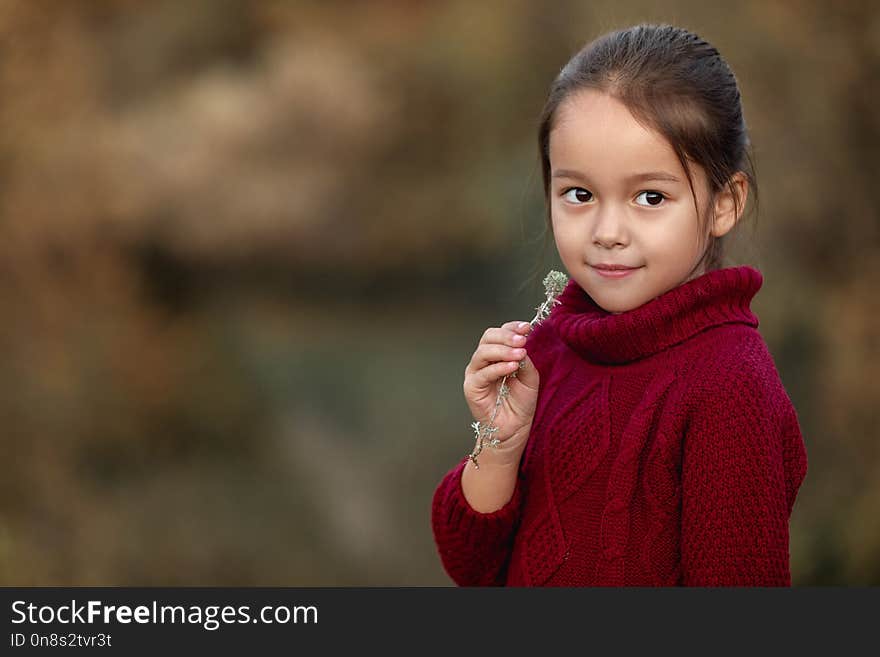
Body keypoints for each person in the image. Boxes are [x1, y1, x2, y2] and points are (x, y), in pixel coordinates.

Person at [430, 23, 808, 586]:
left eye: (650, 197)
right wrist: (500, 444)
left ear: (724, 203)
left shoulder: (728, 385)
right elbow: (472, 566)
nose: (608, 231)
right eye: (579, 194)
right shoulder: (549, 345)